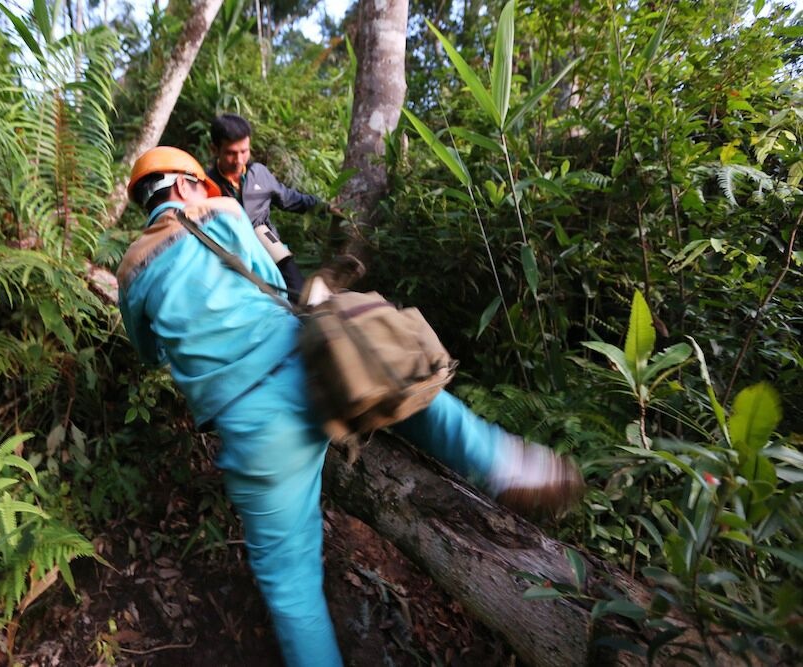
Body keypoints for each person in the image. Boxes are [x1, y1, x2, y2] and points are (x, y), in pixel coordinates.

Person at [117, 146, 584, 667]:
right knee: (410, 395)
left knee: (291, 586)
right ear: (183, 186)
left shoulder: (131, 269)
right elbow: (270, 282)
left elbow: (148, 351)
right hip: (309, 366)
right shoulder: (222, 213)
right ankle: (509, 464)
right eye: (200, 184)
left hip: (252, 426)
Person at [206, 113, 328, 302]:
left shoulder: (259, 174)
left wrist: (324, 208)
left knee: (299, 293)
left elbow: (288, 198)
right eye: (231, 153)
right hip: (228, 251)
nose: (239, 160)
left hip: (265, 240)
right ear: (214, 149)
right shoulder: (205, 185)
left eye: (244, 151)